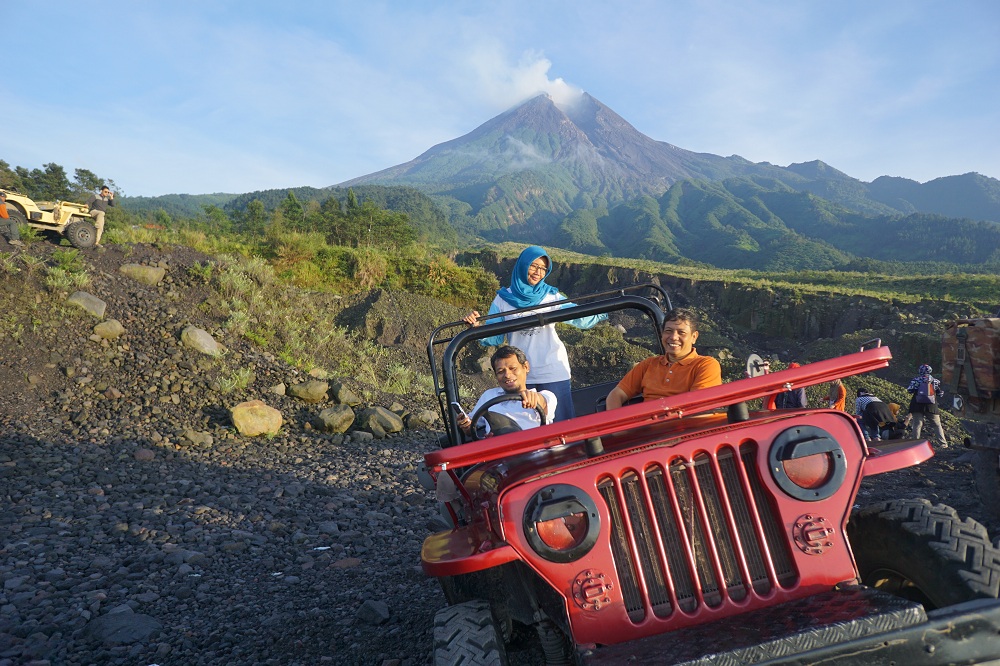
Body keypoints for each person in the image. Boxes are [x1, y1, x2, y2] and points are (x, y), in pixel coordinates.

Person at [463, 246, 605, 421]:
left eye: (543, 268)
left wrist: (606, 309)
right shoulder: (503, 299)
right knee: (527, 424)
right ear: (523, 265)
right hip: (520, 375)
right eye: (534, 266)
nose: (538, 272)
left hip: (553, 370)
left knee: (560, 425)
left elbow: (579, 318)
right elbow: (495, 337)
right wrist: (476, 328)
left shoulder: (550, 296)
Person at [606, 307, 722, 409]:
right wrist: (618, 430)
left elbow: (697, 407)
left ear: (694, 337)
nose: (673, 337)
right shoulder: (648, 365)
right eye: (668, 331)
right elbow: (616, 395)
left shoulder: (705, 365)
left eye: (681, 332)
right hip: (645, 430)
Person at [455, 346, 556, 437]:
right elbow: (473, 425)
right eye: (500, 371)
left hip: (535, 451)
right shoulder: (489, 396)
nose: (507, 375)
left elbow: (544, 402)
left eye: (513, 368)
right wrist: (466, 425)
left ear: (526, 367)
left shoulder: (545, 395)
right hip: (499, 451)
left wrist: (534, 399)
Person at [906, 364, 948, 447]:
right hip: (931, 405)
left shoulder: (916, 380)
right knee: (937, 425)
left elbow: (909, 390)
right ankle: (943, 444)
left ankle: (915, 444)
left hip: (917, 405)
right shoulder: (935, 381)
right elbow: (940, 393)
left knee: (917, 424)